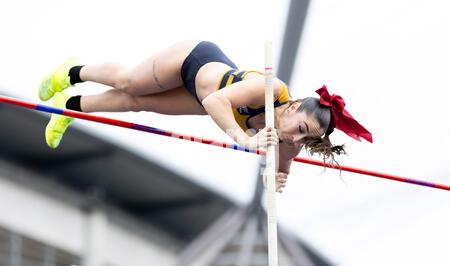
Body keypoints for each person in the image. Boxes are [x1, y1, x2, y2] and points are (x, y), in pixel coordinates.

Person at [38, 39, 373, 193]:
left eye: (306, 138)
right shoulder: (271, 90)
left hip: (199, 98)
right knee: (129, 84)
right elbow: (216, 102)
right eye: (300, 129)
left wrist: (276, 179)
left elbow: (280, 170)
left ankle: (70, 107)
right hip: (194, 63)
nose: (296, 139)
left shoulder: (292, 139)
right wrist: (244, 138)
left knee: (136, 104)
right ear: (294, 106)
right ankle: (72, 71)